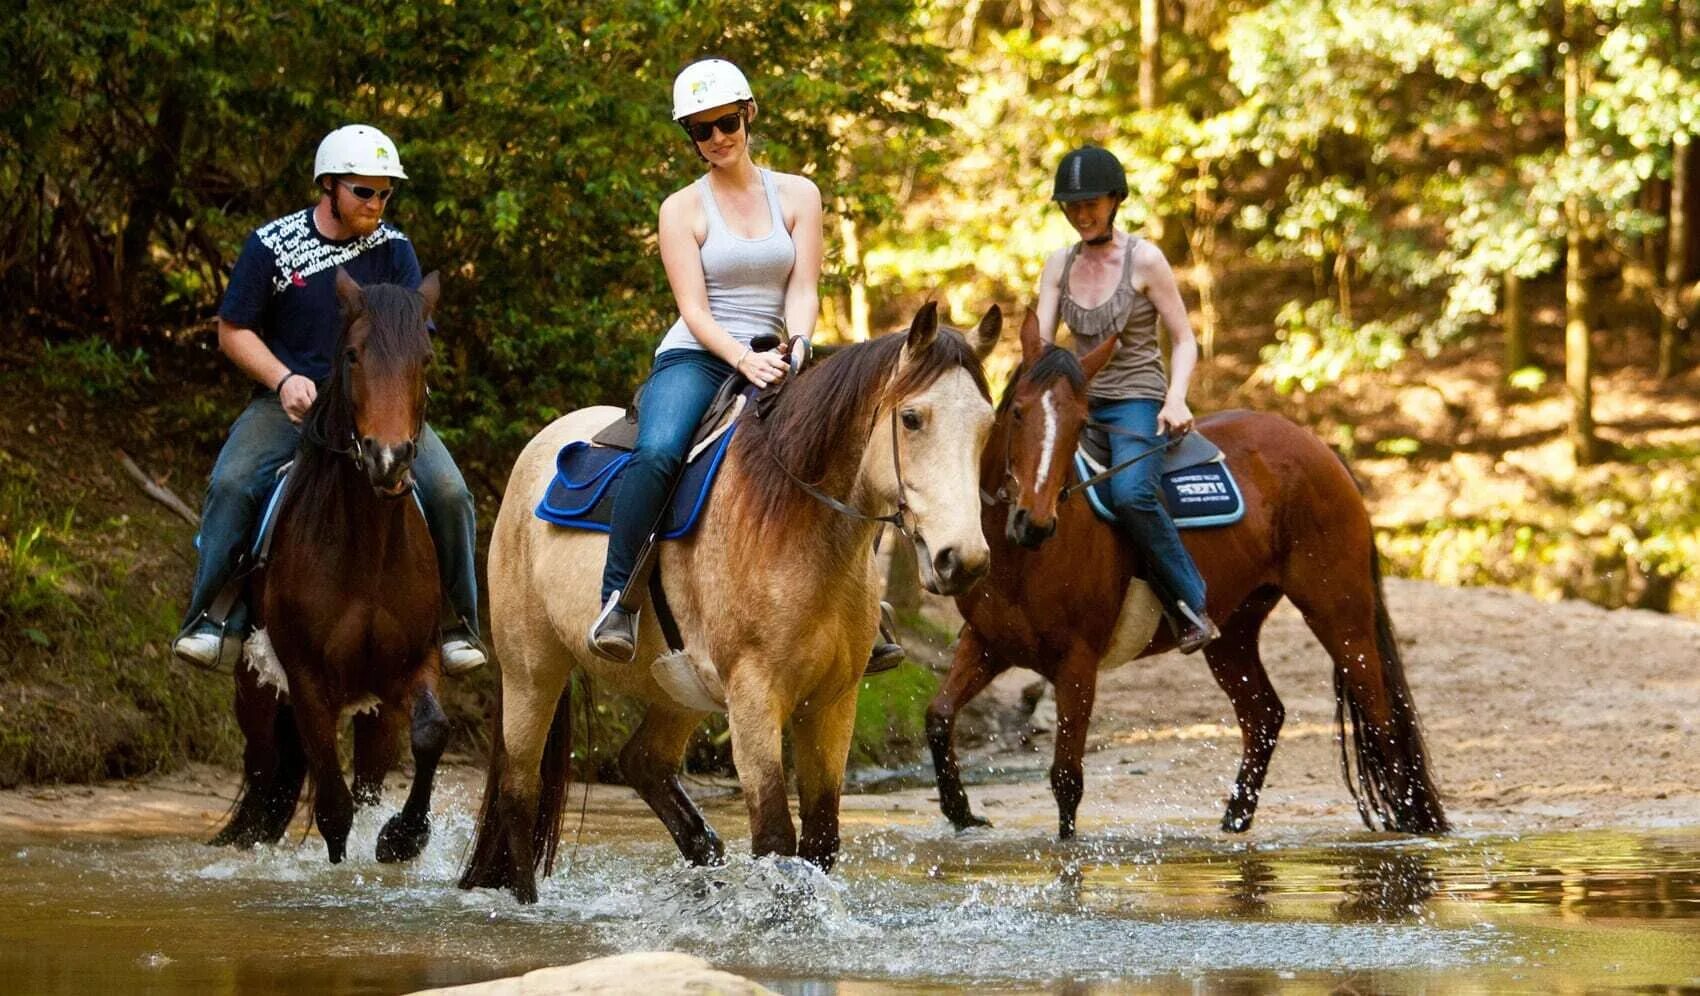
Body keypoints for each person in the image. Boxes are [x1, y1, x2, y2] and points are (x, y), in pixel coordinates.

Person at [587, 58, 904, 673]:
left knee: (858, 446)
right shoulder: (682, 208)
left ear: (749, 114)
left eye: (726, 122)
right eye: (700, 131)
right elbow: (694, 309)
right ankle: (618, 598)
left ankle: (869, 607)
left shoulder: (799, 194)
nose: (717, 139)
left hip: (782, 347)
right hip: (700, 353)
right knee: (658, 451)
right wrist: (743, 360)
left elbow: (804, 285)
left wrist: (804, 342)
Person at [172, 124, 488, 675]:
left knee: (451, 493)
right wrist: (283, 378)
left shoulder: (394, 251)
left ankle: (456, 624)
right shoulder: (272, 244)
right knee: (232, 483)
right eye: (364, 191)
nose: (377, 203)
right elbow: (233, 330)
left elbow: (411, 338)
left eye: (386, 192)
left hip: (376, 405)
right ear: (328, 187)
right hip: (289, 404)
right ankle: (212, 616)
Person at [1034, 145, 1220, 654]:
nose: (1081, 214)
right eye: (1071, 206)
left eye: (1090, 203)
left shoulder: (1146, 260)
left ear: (1115, 200)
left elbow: (1184, 339)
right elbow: (1044, 349)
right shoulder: (1057, 264)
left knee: (1131, 495)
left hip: (1136, 401)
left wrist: (1175, 399)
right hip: (1078, 405)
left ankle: (1190, 603)